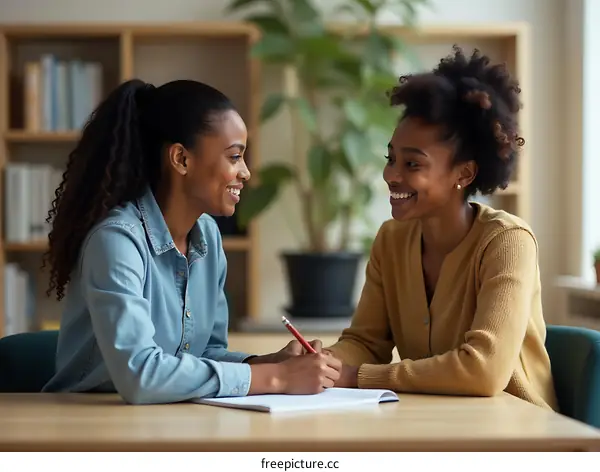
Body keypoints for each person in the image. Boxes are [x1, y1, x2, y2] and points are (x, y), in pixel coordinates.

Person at [41, 78, 341, 404]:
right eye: (234, 156)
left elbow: (206, 354)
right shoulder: (117, 241)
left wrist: (265, 364)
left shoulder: (209, 236)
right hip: (90, 424)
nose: (246, 173)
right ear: (181, 159)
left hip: (169, 419)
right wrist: (277, 378)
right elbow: (140, 376)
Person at [325, 46, 558, 410]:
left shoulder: (508, 242)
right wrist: (320, 361)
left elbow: (483, 371)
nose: (391, 175)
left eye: (412, 164)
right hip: (433, 420)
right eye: (391, 158)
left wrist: (357, 377)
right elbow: (366, 343)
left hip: (519, 432)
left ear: (464, 173)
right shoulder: (391, 239)